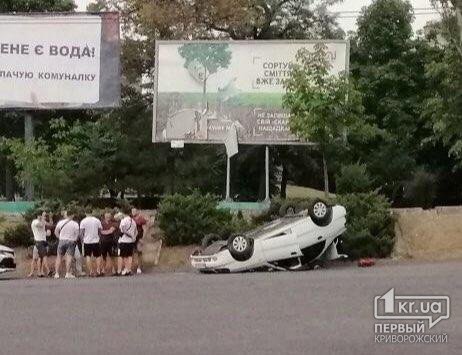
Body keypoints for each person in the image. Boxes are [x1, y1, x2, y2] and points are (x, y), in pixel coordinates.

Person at [54, 209, 80, 279]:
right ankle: (67, 273)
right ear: (72, 215)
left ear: (66, 215)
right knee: (69, 257)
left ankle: (56, 273)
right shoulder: (75, 224)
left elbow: (56, 232)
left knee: (59, 257)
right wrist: (75, 240)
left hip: (62, 240)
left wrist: (60, 237)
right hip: (71, 241)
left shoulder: (60, 222)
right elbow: (77, 234)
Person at [28, 210, 52, 277]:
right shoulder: (35, 221)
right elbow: (39, 225)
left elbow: (50, 224)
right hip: (39, 241)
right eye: (43, 215)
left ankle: (39, 272)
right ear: (39, 216)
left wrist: (50, 217)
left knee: (39, 258)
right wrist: (43, 219)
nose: (44, 217)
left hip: (43, 241)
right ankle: (47, 271)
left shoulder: (42, 221)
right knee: (41, 257)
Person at [80, 209, 103, 277]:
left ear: (85, 213)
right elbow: (100, 230)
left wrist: (82, 240)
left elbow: (81, 233)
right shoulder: (97, 220)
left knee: (88, 256)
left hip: (87, 241)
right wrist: (99, 237)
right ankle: (98, 270)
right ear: (92, 212)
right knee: (98, 256)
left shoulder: (83, 221)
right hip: (96, 240)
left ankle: (91, 272)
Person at [117, 207, 137, 276]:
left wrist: (129, 235)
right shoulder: (133, 221)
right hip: (130, 241)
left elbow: (123, 229)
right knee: (130, 256)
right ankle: (129, 269)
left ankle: (127, 269)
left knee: (124, 256)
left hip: (124, 240)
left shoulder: (123, 220)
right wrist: (134, 236)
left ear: (123, 213)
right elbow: (136, 231)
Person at [100, 211, 117, 275]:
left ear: (110, 216)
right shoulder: (101, 223)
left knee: (112, 256)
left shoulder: (113, 223)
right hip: (103, 242)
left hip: (111, 242)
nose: (108, 217)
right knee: (103, 256)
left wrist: (105, 231)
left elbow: (110, 231)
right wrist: (107, 231)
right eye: (106, 216)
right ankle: (103, 270)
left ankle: (113, 270)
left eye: (109, 216)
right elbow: (101, 232)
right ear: (104, 216)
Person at [131, 208, 147, 274]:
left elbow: (145, 228)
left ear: (137, 211)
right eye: (132, 211)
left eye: (134, 211)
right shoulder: (131, 219)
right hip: (132, 238)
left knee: (139, 253)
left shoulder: (141, 219)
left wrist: (143, 238)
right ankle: (133, 267)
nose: (133, 212)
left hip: (139, 238)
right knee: (131, 253)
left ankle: (139, 267)